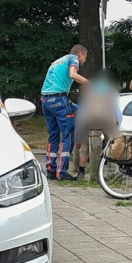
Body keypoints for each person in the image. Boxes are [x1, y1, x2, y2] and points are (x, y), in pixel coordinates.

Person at [40, 45, 89, 180]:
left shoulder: (57, 61)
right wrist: (90, 84)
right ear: (80, 54)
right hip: (59, 99)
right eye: (85, 57)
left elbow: (56, 95)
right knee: (67, 135)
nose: (84, 60)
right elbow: (73, 74)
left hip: (46, 100)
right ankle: (62, 173)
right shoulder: (73, 58)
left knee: (53, 136)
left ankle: (50, 170)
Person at [70, 70, 124, 178]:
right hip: (107, 118)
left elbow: (83, 109)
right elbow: (116, 110)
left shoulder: (88, 89)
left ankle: (81, 172)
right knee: (112, 142)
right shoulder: (111, 90)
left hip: (89, 118)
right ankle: (113, 170)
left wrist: (80, 125)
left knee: (84, 145)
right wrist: (117, 124)